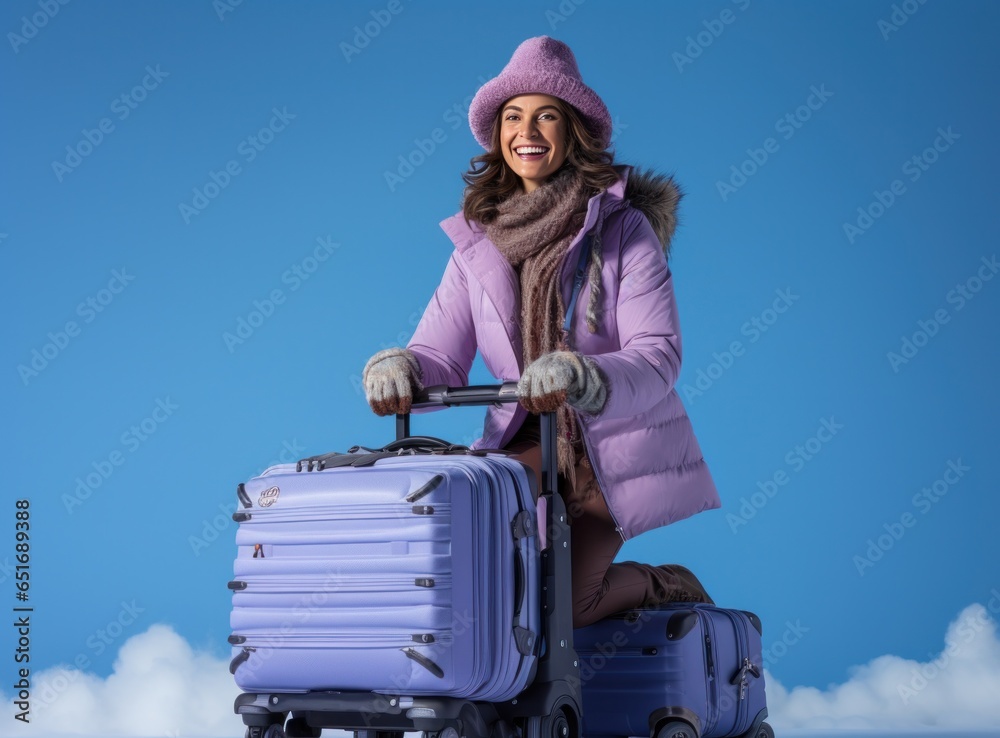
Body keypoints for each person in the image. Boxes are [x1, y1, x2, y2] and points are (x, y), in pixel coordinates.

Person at [362, 36, 721, 628]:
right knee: (480, 583)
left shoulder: (624, 231)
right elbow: (439, 356)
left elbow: (658, 356)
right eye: (512, 117)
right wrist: (399, 368)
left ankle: (666, 583)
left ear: (573, 130)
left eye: (546, 115)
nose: (526, 130)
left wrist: (584, 377)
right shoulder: (477, 247)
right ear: (497, 135)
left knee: (564, 610)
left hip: (608, 452)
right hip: (526, 446)